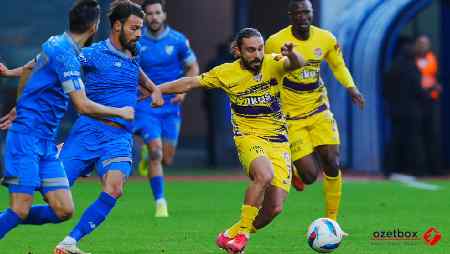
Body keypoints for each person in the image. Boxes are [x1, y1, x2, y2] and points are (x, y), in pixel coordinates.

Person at [158, 27, 305, 253]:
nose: (257, 55)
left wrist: (292, 53)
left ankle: (230, 234)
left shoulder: (273, 62)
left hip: (278, 140)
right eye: (250, 50)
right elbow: (190, 83)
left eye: (260, 49)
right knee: (264, 175)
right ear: (237, 51)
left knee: (274, 208)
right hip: (249, 137)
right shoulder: (226, 72)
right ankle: (242, 237)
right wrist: (156, 89)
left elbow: (296, 64)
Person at [0, 0, 134, 241]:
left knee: (63, 210)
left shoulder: (55, 43)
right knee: (19, 209)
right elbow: (82, 105)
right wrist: (120, 112)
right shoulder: (67, 56)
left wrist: (18, 100)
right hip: (27, 138)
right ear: (95, 26)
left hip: (46, 142)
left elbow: (32, 69)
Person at [53, 1, 164, 253]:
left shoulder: (135, 52)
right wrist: (16, 74)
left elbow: (136, 71)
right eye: (134, 28)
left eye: (141, 28)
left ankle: (70, 242)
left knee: (114, 188)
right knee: (54, 201)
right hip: (88, 131)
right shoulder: (92, 54)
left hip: (118, 136)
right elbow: (57, 62)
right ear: (117, 26)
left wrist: (153, 87)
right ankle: (51, 154)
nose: (139, 34)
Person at [264, 0, 365, 223]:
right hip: (292, 115)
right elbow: (268, 72)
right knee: (310, 177)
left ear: (312, 13)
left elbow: (338, 65)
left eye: (306, 12)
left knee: (332, 160)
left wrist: (352, 88)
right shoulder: (275, 42)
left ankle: (332, 221)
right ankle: (295, 171)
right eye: (298, 13)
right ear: (290, 16)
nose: (303, 17)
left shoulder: (326, 38)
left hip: (319, 108)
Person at [133, 0, 199, 217]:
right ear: (144, 17)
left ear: (164, 15)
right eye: (149, 13)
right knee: (156, 151)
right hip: (146, 104)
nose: (153, 17)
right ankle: (160, 202)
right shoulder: (136, 39)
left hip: (170, 106)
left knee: (167, 158)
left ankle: (147, 153)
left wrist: (183, 92)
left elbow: (192, 66)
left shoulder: (178, 40)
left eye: (157, 12)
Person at [383, 37, 426, 177]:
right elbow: (417, 90)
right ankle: (416, 170)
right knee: (413, 140)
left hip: (395, 110)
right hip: (411, 110)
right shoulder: (413, 68)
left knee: (395, 140)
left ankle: (390, 169)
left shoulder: (392, 67)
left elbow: (385, 90)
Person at [415, 35, 443, 174]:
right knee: (417, 134)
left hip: (431, 99)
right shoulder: (412, 59)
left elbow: (434, 76)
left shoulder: (432, 57)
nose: (423, 46)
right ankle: (420, 168)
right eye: (421, 43)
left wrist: (436, 86)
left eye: (426, 43)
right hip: (417, 99)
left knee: (431, 133)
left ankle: (435, 168)